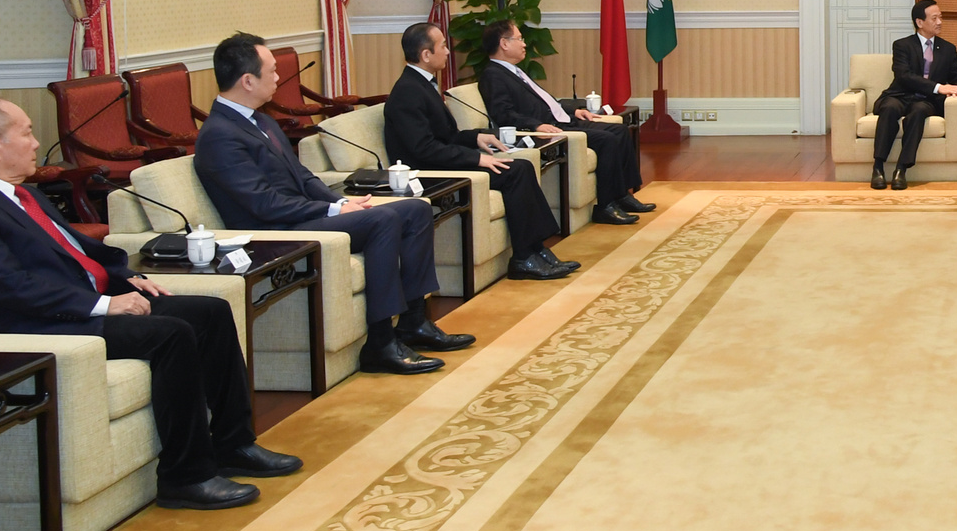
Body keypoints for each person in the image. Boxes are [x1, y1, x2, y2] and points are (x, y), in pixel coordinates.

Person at [0, 94, 300, 511]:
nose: (36, 143)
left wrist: (126, 278)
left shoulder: (22, 194)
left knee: (210, 311)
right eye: (27, 133)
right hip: (43, 325)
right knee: (171, 335)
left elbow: (76, 251)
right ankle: (185, 476)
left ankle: (234, 444)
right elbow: (7, 286)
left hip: (85, 302)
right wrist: (105, 305)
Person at [194, 33, 473, 377]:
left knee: (415, 208)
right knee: (382, 220)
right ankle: (381, 343)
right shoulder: (220, 134)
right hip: (275, 231)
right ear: (248, 81)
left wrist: (340, 200)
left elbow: (303, 176)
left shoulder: (260, 119)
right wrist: (333, 211)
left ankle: (415, 323)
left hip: (300, 216)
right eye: (272, 71)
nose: (279, 77)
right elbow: (264, 204)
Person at [384, 23, 578, 282]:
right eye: (443, 46)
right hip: (430, 172)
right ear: (426, 55)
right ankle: (524, 257)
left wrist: (476, 137)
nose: (448, 51)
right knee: (515, 171)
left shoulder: (422, 84)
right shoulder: (408, 92)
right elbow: (423, 149)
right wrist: (476, 158)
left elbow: (447, 136)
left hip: (444, 159)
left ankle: (535, 249)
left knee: (520, 166)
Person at [476, 19, 654, 225]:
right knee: (607, 140)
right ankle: (605, 206)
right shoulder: (493, 75)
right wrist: (535, 125)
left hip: (561, 119)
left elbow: (546, 101)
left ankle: (622, 195)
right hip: (547, 128)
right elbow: (503, 113)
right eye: (519, 39)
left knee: (620, 130)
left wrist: (574, 110)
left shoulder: (514, 71)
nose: (524, 44)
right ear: (504, 43)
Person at [870, 0, 957, 191]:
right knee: (889, 108)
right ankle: (878, 167)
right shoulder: (902, 45)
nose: (939, 22)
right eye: (934, 18)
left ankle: (901, 169)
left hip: (926, 101)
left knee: (918, 112)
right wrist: (939, 87)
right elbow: (904, 76)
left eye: (940, 17)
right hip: (900, 95)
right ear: (919, 22)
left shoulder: (948, 49)